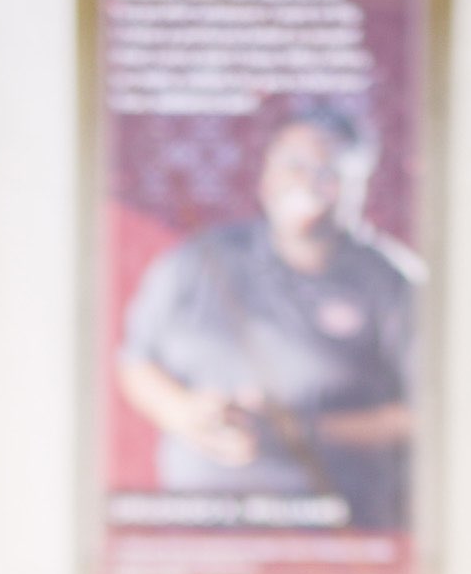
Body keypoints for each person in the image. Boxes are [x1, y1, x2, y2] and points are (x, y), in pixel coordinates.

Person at [116, 109, 418, 530]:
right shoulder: (198, 260)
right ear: (266, 175)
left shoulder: (394, 284)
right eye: (293, 164)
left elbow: (428, 414)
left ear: (359, 187)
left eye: (328, 169)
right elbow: (136, 361)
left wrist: (305, 430)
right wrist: (187, 413)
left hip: (336, 539)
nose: (307, 181)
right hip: (197, 534)